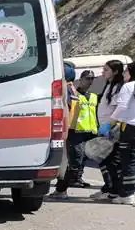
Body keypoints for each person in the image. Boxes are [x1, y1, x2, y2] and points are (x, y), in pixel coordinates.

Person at [48, 67, 98, 199]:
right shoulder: (73, 92)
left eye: (92, 79)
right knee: (72, 161)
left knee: (74, 161)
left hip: (85, 131)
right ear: (79, 79)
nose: (90, 81)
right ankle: (61, 188)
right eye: (88, 78)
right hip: (74, 131)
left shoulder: (85, 94)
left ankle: (64, 187)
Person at [91, 59, 126, 200]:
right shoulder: (109, 85)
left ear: (115, 71)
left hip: (111, 129)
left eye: (106, 70)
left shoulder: (119, 87)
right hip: (104, 127)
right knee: (104, 161)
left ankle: (114, 191)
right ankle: (108, 188)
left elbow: (119, 109)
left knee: (112, 161)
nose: (103, 72)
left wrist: (110, 126)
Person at [106, 62, 135, 205]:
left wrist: (110, 123)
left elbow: (122, 107)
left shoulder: (129, 86)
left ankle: (127, 194)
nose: (124, 74)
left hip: (129, 128)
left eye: (126, 72)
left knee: (128, 161)